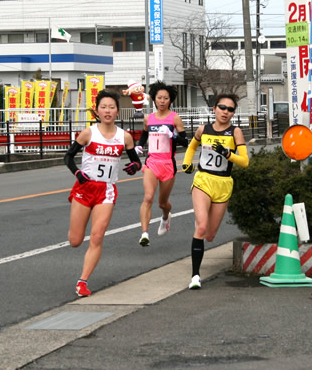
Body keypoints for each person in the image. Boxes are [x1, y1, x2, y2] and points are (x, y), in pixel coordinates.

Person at [64, 90, 142, 297]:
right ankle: (75, 231)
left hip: (106, 190)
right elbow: (68, 157)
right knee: (75, 241)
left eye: (111, 107)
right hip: (84, 188)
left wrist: (134, 167)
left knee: (97, 236)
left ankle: (82, 281)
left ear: (117, 111)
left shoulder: (124, 137)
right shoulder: (88, 133)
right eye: (104, 107)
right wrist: (77, 173)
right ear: (97, 111)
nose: (107, 111)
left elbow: (137, 162)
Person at [182, 93, 249, 290]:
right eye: (222, 107)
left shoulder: (235, 132)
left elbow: (245, 161)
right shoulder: (203, 129)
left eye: (230, 109)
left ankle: (201, 224)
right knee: (202, 227)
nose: (225, 112)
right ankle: (195, 276)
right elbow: (192, 146)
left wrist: (228, 154)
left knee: (210, 235)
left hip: (223, 184)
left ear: (233, 113)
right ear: (214, 109)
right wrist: (187, 163)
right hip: (203, 180)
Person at [135, 81, 188, 247]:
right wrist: (139, 145)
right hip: (152, 162)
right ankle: (144, 234)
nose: (162, 101)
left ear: (170, 100)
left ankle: (166, 216)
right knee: (148, 197)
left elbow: (186, 142)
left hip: (168, 164)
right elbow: (144, 134)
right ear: (154, 99)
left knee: (162, 203)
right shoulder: (148, 118)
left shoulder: (175, 118)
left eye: (166, 98)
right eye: (159, 98)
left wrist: (172, 135)